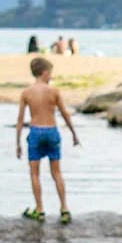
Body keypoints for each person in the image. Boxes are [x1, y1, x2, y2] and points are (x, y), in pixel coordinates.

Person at [14, 56, 79, 223]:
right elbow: (64, 113)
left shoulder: (26, 93)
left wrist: (18, 143)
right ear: (44, 73)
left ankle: (40, 209)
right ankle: (64, 209)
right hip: (51, 131)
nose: (51, 76)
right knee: (56, 172)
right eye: (50, 73)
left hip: (36, 131)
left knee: (34, 173)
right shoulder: (54, 91)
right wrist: (74, 133)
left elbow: (20, 119)